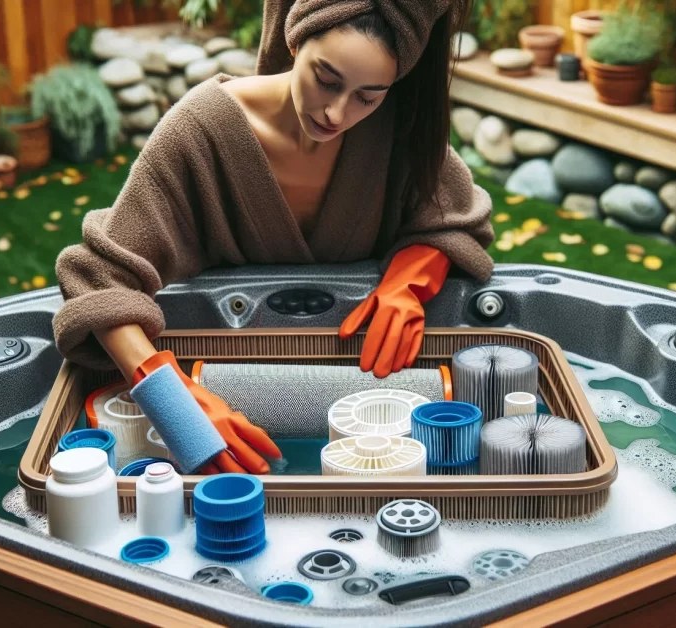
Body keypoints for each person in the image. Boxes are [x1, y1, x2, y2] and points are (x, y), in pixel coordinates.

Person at [52, 0, 495, 476]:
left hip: (366, 411)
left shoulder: (396, 126)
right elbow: (100, 280)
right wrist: (171, 399)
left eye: (368, 96)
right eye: (326, 79)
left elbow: (454, 214)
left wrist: (409, 282)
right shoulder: (200, 130)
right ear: (294, 40)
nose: (337, 112)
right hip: (228, 375)